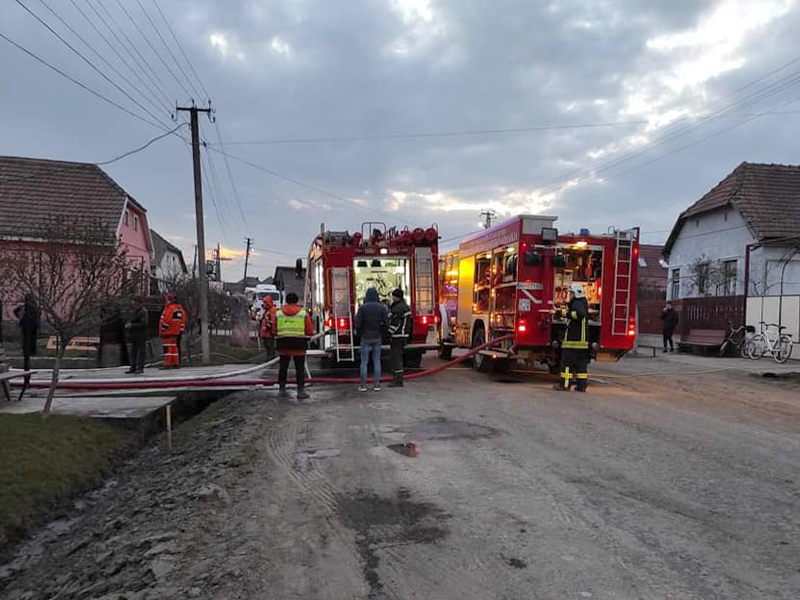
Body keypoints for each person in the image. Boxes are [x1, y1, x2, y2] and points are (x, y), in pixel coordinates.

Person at [273, 292, 313, 400]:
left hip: (283, 344)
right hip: (299, 344)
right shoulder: (303, 313)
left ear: (286, 300)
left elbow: (274, 330)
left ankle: (281, 390)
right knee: (299, 369)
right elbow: (309, 331)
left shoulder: (279, 313)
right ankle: (300, 391)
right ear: (296, 301)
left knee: (283, 368)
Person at [553, 283, 590, 392]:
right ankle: (581, 386)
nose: (570, 295)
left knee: (567, 363)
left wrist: (564, 314)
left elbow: (579, 314)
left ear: (576, 294)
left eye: (571, 293)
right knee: (581, 366)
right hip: (582, 342)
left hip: (574, 341)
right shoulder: (582, 303)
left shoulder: (577, 303)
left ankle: (564, 385)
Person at [355, 287, 388, 392]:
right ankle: (377, 384)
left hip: (365, 337)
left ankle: (363, 385)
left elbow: (358, 323)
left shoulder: (362, 308)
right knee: (377, 361)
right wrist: (382, 332)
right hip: (377, 336)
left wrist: (359, 333)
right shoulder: (382, 308)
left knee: (364, 361)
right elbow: (386, 323)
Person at [387, 288, 412, 388]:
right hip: (402, 335)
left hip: (398, 336)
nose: (392, 298)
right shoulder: (404, 306)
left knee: (396, 358)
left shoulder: (398, 308)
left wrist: (388, 333)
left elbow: (395, 323)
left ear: (396, 296)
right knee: (397, 357)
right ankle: (397, 379)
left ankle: (398, 380)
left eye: (393, 296)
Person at [14, 294, 40, 386]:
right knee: (27, 358)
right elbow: (37, 323)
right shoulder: (32, 309)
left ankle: (27, 380)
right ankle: (27, 380)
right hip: (30, 335)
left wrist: (21, 318)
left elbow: (15, 311)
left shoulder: (27, 309)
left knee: (26, 357)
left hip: (27, 335)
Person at [159, 294, 186, 369]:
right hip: (176, 332)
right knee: (174, 348)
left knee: (167, 348)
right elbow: (182, 320)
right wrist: (180, 330)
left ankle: (167, 364)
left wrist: (163, 328)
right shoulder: (180, 309)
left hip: (168, 331)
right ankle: (175, 363)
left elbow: (167, 319)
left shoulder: (170, 308)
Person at [125, 297, 148, 374]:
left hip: (141, 334)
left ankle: (140, 367)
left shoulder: (143, 312)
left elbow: (144, 324)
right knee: (133, 351)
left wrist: (132, 325)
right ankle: (133, 367)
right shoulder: (135, 311)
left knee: (141, 352)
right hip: (134, 334)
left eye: (134, 303)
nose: (133, 304)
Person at [259, 296, 277, 361]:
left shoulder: (272, 310)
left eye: (265, 303)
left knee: (270, 347)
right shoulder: (267, 311)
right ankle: (269, 359)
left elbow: (273, 322)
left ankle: (271, 360)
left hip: (269, 333)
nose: (264, 304)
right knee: (267, 347)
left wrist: (273, 331)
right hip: (266, 333)